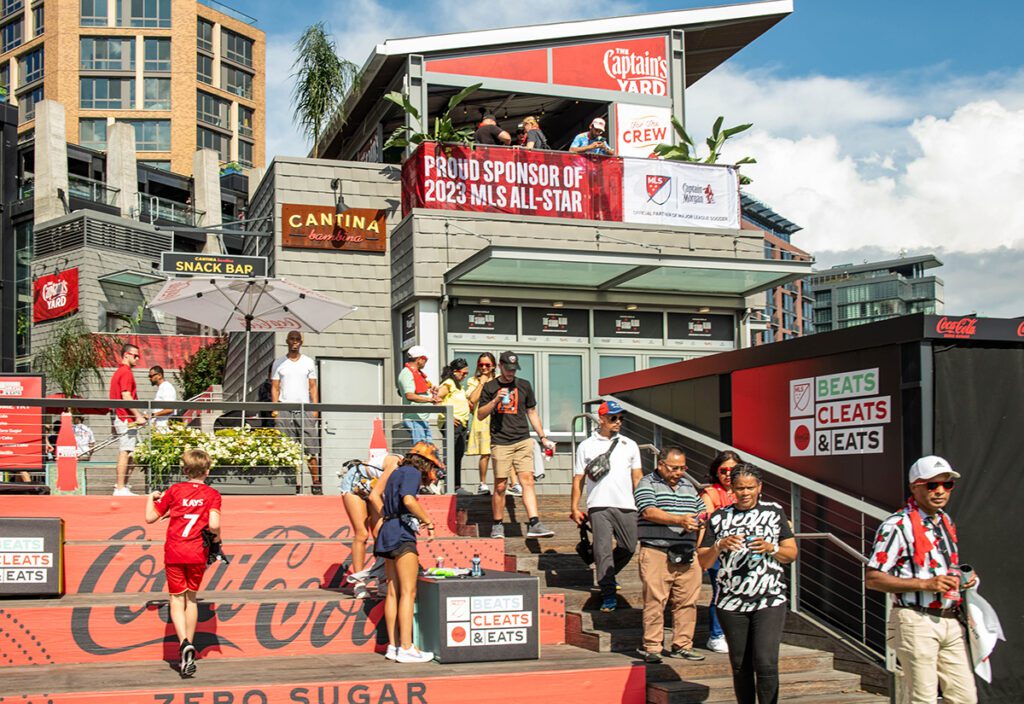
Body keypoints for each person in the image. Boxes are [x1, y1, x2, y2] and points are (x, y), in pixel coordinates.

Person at [865, 456, 978, 704]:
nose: (940, 491)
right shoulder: (897, 525)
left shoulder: (944, 521)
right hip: (915, 619)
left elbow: (940, 568)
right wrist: (925, 585)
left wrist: (963, 578)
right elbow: (872, 579)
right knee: (923, 698)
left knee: (965, 698)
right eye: (931, 485)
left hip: (950, 619)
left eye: (946, 485)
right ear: (914, 487)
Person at [698, 463, 798, 704]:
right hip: (732, 602)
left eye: (750, 488)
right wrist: (718, 546)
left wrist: (771, 548)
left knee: (765, 661)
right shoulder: (720, 517)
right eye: (740, 488)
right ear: (731, 488)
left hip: (769, 598)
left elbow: (791, 553)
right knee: (740, 664)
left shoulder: (774, 512)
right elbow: (702, 559)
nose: (745, 493)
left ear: (759, 487)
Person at [145, 448, 222, 678]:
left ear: (185, 470)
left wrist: (151, 497)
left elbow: (150, 517)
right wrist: (214, 537)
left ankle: (184, 643)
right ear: (207, 471)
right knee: (192, 598)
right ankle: (189, 647)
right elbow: (215, 525)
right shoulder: (212, 494)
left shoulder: (175, 490)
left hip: (175, 551)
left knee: (176, 598)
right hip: (197, 552)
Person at [369, 441, 442, 664]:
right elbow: (409, 500)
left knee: (392, 591)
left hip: (387, 530)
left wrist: (390, 517)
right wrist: (427, 520)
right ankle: (407, 647)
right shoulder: (411, 473)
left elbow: (375, 496)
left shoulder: (398, 471)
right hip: (401, 533)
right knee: (409, 593)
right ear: (426, 463)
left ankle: (393, 646)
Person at [633, 446, 706, 663]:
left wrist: (698, 540)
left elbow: (701, 512)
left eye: (683, 468)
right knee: (655, 600)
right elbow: (648, 511)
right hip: (656, 550)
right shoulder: (647, 483)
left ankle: (682, 645)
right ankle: (653, 646)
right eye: (674, 468)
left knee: (687, 601)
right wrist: (679, 520)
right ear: (661, 464)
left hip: (687, 552)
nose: (679, 473)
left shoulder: (688, 486)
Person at [571, 400, 642, 612]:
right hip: (598, 504)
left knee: (629, 546)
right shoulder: (586, 445)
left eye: (620, 418)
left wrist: (644, 502)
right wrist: (574, 507)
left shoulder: (630, 444)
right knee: (602, 550)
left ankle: (608, 575)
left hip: (627, 504)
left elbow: (637, 476)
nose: (618, 422)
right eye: (613, 418)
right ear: (601, 418)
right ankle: (608, 594)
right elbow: (578, 478)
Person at [476, 351, 555, 539]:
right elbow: (480, 414)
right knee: (501, 485)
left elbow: (532, 412)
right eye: (507, 369)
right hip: (500, 442)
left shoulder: (524, 385)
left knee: (527, 480)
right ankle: (497, 525)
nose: (510, 373)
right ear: (500, 367)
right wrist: (495, 400)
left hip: (522, 439)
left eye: (513, 369)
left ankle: (535, 522)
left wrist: (543, 437)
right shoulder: (490, 387)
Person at [340, 452, 403, 599]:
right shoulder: (395, 464)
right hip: (357, 482)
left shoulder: (409, 473)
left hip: (375, 486)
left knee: (381, 534)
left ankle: (382, 581)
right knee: (362, 533)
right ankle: (359, 584)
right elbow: (375, 494)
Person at [699, 450, 743, 654]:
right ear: (716, 472)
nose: (727, 474)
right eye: (723, 470)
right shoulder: (711, 493)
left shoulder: (744, 490)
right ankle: (716, 635)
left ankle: (734, 633)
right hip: (717, 551)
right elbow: (708, 521)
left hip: (742, 552)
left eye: (732, 470)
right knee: (720, 592)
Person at [271, 331, 321, 493]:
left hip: (305, 408)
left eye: (297, 339)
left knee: (311, 447)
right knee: (286, 447)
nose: (294, 342)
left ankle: (316, 483)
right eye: (292, 339)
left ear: (301, 342)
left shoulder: (308, 362)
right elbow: (275, 387)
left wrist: (315, 408)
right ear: (287, 341)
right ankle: (291, 483)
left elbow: (313, 386)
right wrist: (275, 409)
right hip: (284, 408)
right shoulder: (279, 363)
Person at [109, 343, 148, 496]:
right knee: (125, 451)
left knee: (131, 452)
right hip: (127, 418)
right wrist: (138, 415)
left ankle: (122, 485)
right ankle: (119, 488)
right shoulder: (125, 373)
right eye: (135, 355)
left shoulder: (119, 372)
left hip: (123, 417)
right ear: (126, 355)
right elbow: (126, 395)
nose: (138, 358)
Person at [435, 358, 470, 487]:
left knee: (458, 454)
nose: (465, 376)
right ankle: (444, 483)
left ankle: (456, 485)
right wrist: (448, 416)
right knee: (451, 453)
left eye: (467, 373)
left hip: (462, 424)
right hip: (452, 424)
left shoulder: (459, 386)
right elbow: (437, 399)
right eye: (463, 373)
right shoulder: (448, 383)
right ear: (455, 371)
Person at [397, 345, 438, 445]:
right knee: (420, 450)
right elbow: (409, 395)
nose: (426, 361)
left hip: (421, 419)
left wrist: (431, 392)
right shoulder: (407, 373)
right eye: (425, 359)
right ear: (419, 359)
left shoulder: (418, 373)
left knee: (427, 450)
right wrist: (430, 400)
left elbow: (419, 391)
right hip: (414, 419)